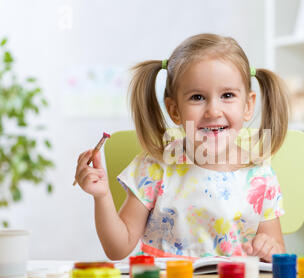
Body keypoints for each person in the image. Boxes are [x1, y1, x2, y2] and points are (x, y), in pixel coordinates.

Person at [75, 33, 291, 262]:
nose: (213, 111)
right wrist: (102, 196)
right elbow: (117, 248)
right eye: (197, 97)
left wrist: (270, 248)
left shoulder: (260, 175)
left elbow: (277, 250)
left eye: (227, 95)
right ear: (174, 110)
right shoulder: (156, 166)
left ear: (248, 106)